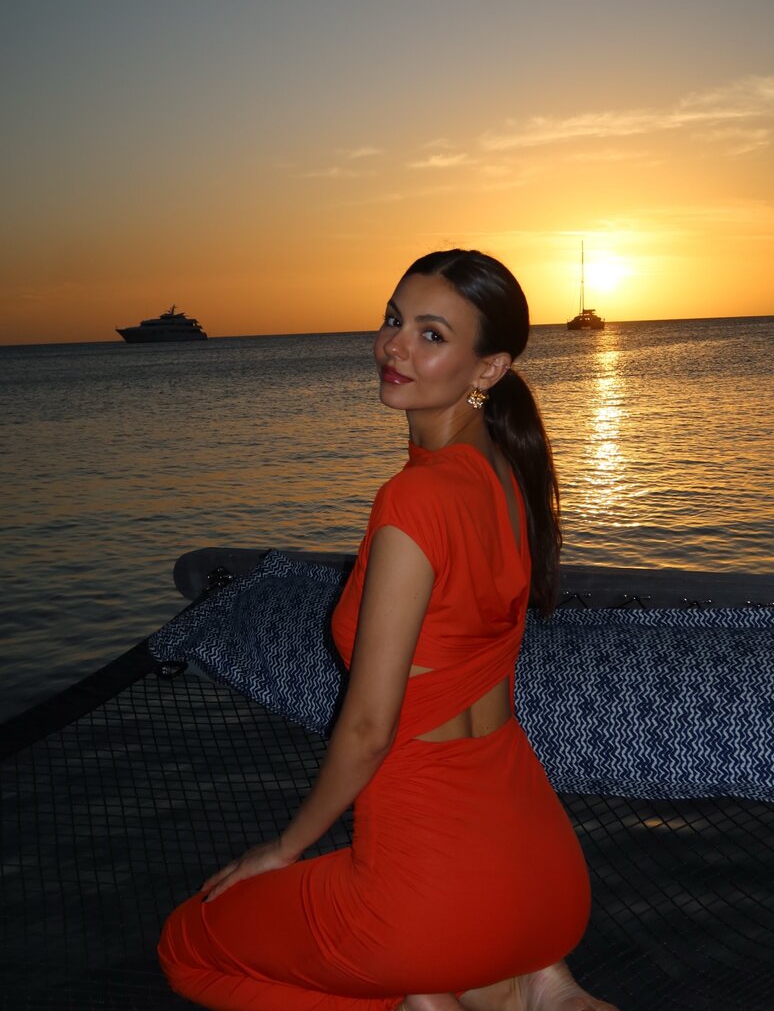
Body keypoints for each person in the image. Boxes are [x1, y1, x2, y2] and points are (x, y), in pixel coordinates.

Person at [158, 249, 618, 1011]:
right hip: (547, 884)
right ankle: (521, 984)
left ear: (489, 367)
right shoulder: (510, 474)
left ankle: (424, 996)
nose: (395, 346)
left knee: (186, 946)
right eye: (394, 320)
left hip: (426, 901)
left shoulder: (414, 501)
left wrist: (285, 848)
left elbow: (370, 728)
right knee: (439, 945)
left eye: (431, 335)